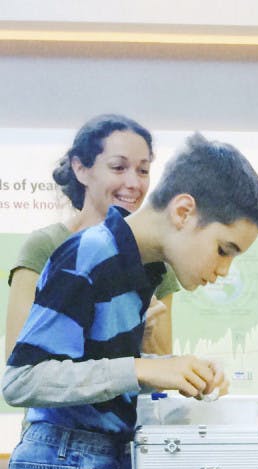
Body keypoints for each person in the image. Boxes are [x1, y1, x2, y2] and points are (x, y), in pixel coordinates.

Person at [2, 133, 258, 469]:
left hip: (91, 463)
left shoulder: (137, 267)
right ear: (184, 211)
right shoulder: (91, 251)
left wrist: (168, 370)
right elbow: (21, 379)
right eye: (224, 249)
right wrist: (143, 368)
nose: (224, 269)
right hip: (68, 463)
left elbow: (94, 365)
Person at [5, 113, 180, 362]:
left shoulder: (153, 259)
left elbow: (161, 371)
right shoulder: (47, 246)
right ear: (80, 169)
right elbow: (18, 363)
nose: (133, 183)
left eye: (143, 170)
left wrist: (144, 332)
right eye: (118, 167)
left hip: (126, 403)